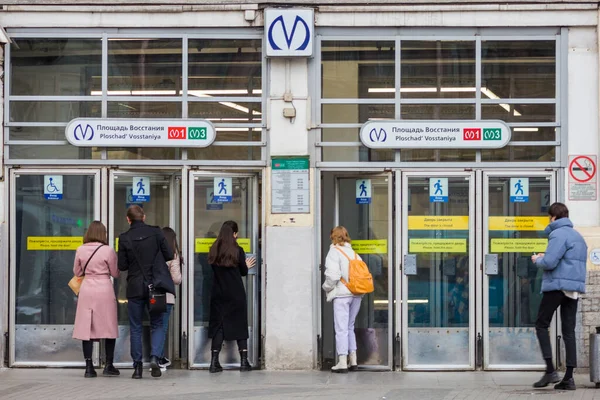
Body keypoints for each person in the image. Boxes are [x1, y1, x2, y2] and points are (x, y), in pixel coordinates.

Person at [531, 202, 587, 391]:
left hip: (557, 286)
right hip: (573, 289)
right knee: (569, 331)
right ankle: (569, 378)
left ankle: (550, 370)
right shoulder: (578, 236)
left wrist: (537, 259)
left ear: (553, 217)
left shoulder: (558, 234)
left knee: (541, 324)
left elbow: (549, 262)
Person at [118, 205, 174, 379]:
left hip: (134, 288)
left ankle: (137, 368)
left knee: (135, 327)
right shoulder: (157, 233)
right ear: (144, 217)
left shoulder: (124, 237)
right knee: (157, 324)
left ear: (128, 219)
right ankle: (155, 358)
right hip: (155, 286)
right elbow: (169, 255)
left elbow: (122, 266)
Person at [72, 221, 120, 378]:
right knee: (109, 326)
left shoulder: (80, 249)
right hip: (104, 289)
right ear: (103, 234)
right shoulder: (108, 250)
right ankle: (109, 365)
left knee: (87, 326)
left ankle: (88, 367)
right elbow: (115, 273)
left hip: (87, 289)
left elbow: (77, 272)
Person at [207, 221, 256, 373]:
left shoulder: (214, 250)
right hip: (236, 293)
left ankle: (214, 362)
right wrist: (246, 265)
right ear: (234, 234)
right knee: (240, 324)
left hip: (218, 293)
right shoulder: (238, 250)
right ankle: (243, 361)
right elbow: (242, 271)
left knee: (219, 326)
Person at [322, 226, 363, 373]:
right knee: (349, 326)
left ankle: (342, 362)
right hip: (357, 293)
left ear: (332, 237)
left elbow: (333, 276)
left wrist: (326, 288)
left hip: (342, 294)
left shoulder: (334, 252)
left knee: (341, 328)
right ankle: (353, 360)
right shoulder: (353, 253)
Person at [157, 227, 183, 372]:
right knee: (162, 327)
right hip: (166, 297)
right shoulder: (172, 255)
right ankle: (158, 359)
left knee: (155, 326)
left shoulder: (154, 253)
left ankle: (158, 357)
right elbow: (177, 279)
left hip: (152, 296)